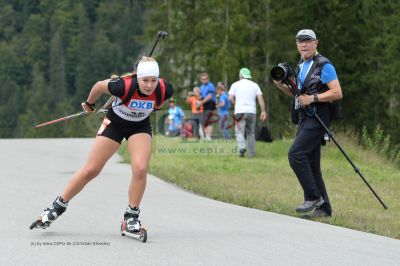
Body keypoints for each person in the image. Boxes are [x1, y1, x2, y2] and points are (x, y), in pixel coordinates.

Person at [32, 57, 173, 233]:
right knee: (91, 170)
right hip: (115, 125)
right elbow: (99, 85)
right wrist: (90, 103)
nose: (149, 85)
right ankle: (56, 207)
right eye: (145, 80)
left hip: (139, 127)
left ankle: (131, 217)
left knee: (140, 168)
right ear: (138, 78)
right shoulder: (122, 86)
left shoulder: (165, 89)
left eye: (153, 80)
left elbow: (159, 102)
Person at [273, 29, 343, 218]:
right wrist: (282, 86)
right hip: (304, 117)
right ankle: (324, 208)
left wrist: (313, 98)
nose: (304, 44)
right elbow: (298, 96)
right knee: (312, 164)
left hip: (318, 117)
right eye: (300, 41)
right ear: (297, 44)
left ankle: (313, 197)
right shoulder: (301, 65)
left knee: (296, 154)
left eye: (308, 41)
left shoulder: (324, 65)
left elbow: (337, 93)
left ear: (316, 43)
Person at [229, 68, 267, 158]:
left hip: (239, 111)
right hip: (251, 111)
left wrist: (234, 103)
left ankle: (242, 148)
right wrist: (263, 111)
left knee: (239, 131)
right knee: (251, 133)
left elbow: (230, 98)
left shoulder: (235, 85)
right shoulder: (255, 85)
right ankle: (251, 153)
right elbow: (260, 99)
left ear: (240, 75)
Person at [198, 72, 216, 140]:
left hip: (210, 104)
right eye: (203, 79)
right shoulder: (202, 86)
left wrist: (201, 102)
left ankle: (208, 137)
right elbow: (202, 96)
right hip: (204, 104)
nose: (205, 80)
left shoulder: (210, 85)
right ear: (201, 80)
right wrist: (199, 100)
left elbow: (209, 96)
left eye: (206, 78)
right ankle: (205, 136)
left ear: (208, 79)